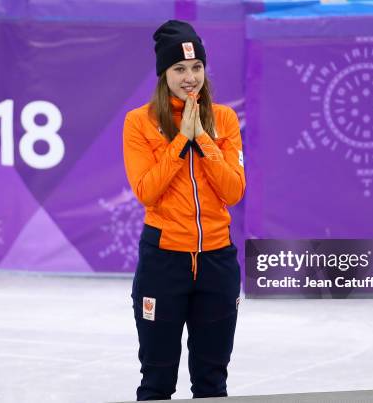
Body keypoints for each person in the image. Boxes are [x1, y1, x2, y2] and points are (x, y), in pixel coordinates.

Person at [122, 19, 246, 401]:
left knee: (212, 383)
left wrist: (204, 140)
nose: (190, 77)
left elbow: (234, 190)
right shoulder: (139, 122)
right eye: (179, 69)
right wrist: (180, 142)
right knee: (157, 381)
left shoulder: (223, 119)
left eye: (196, 67)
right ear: (164, 73)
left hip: (217, 261)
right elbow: (147, 190)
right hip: (164, 263)